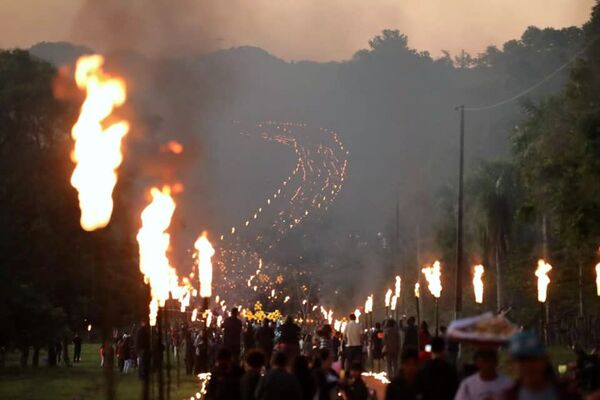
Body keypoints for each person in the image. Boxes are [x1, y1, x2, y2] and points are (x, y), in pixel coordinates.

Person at [502, 331, 579, 400]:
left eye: (533, 359)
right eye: (522, 360)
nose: (528, 366)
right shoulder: (508, 396)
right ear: (512, 364)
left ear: (545, 360)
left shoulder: (566, 392)